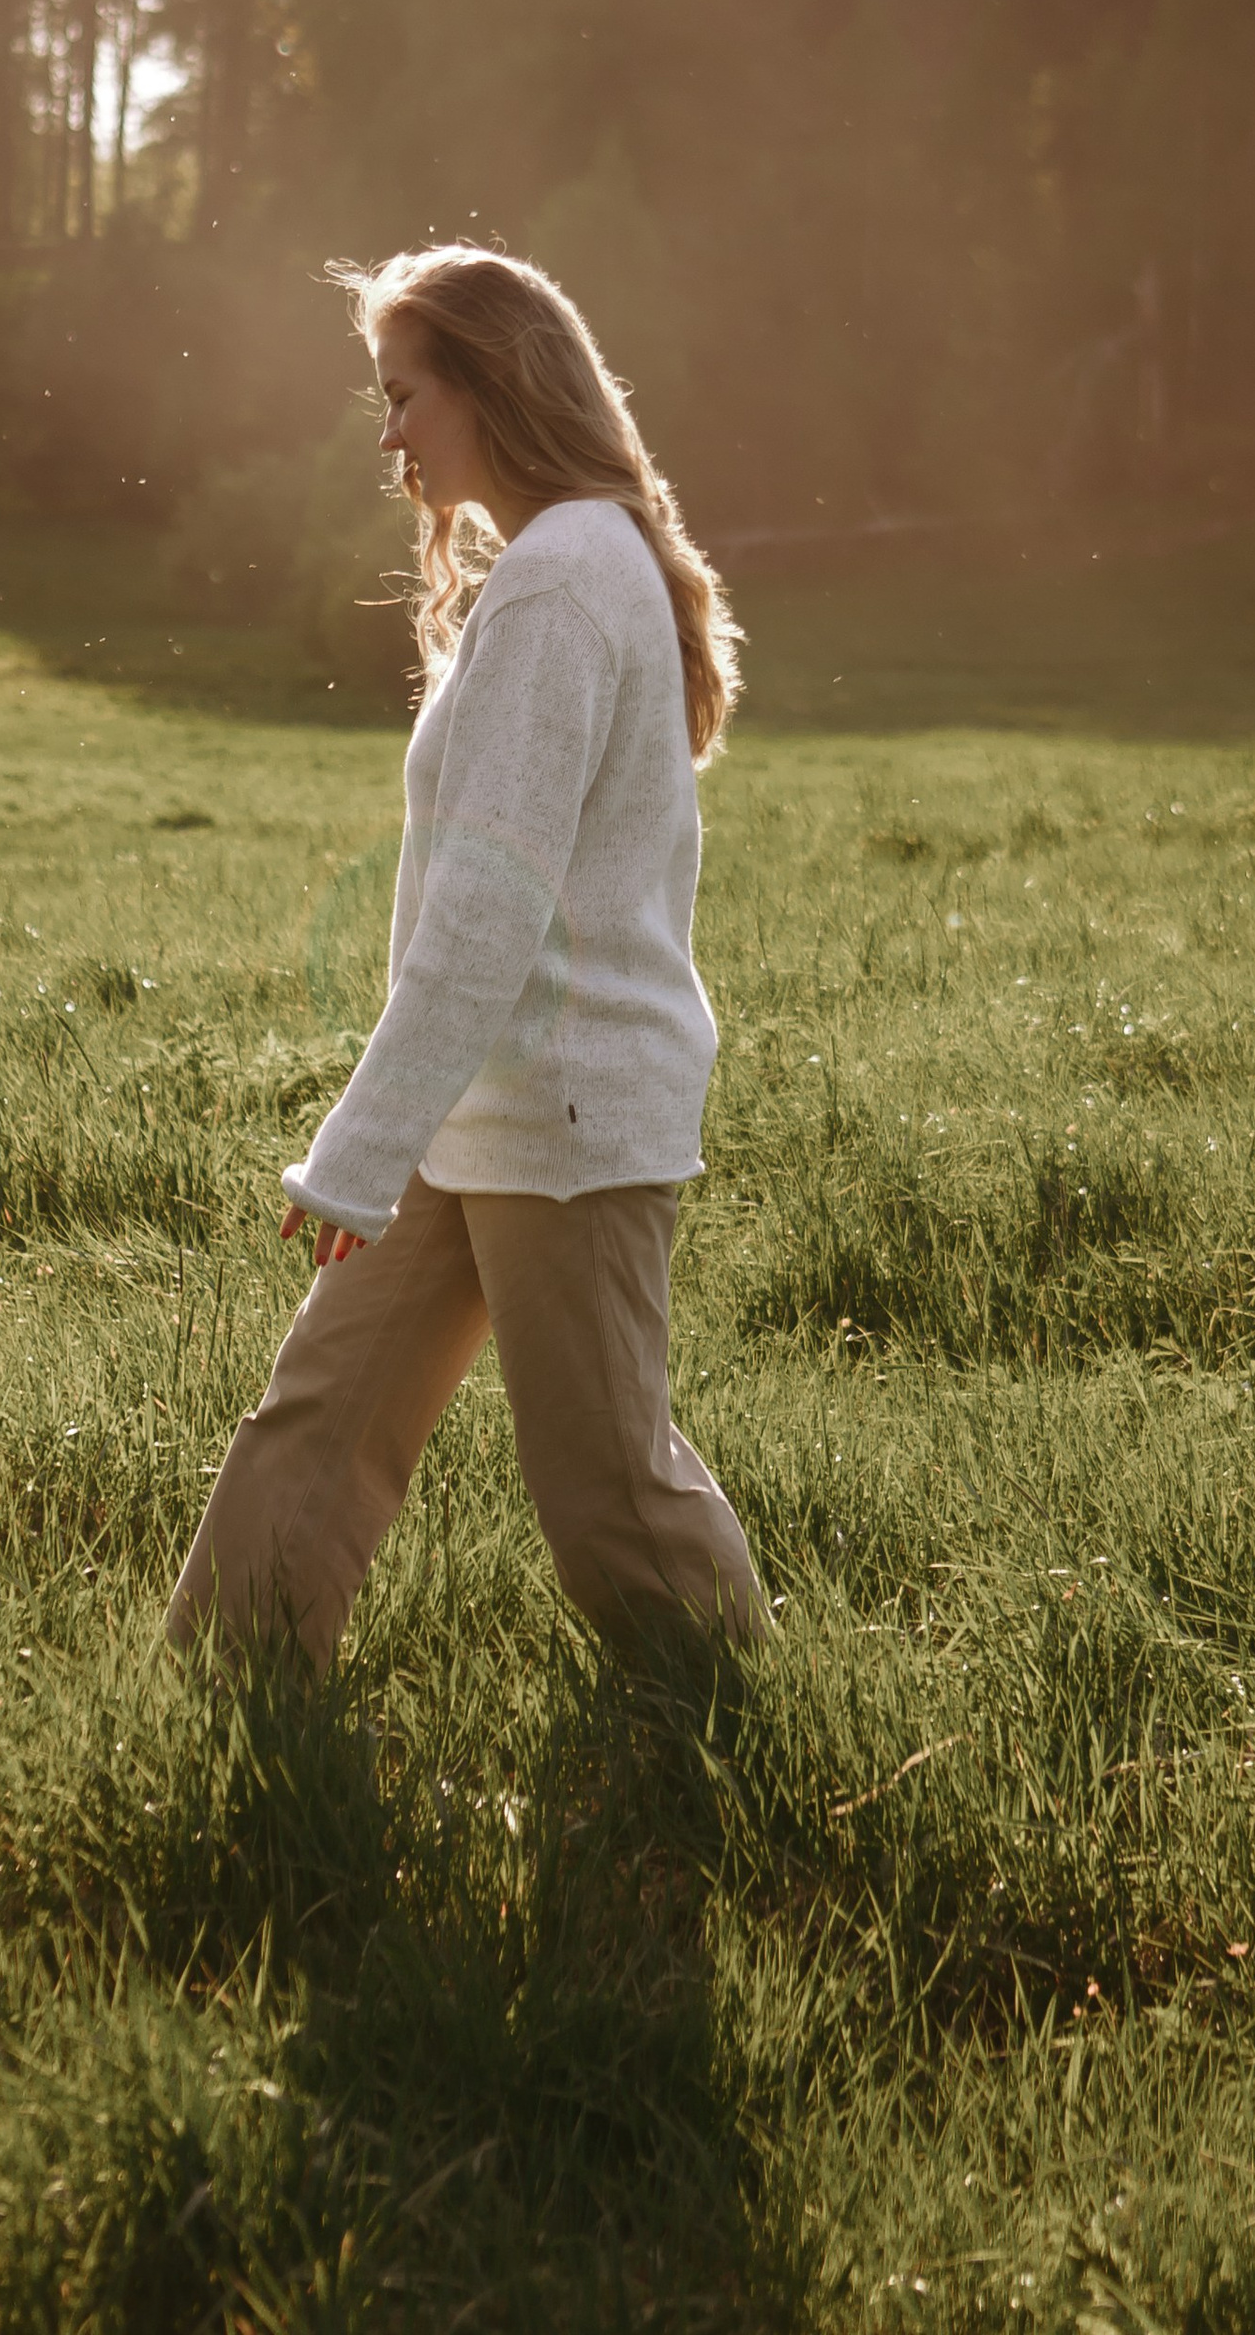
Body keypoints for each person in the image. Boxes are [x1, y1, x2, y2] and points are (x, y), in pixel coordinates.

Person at [168, 248, 766, 1666]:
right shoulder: (561, 563)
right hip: (479, 1104)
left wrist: (354, 1153)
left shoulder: (563, 583)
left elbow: (488, 912)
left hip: (564, 1114)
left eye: (403, 396)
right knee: (319, 1417)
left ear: (491, 385)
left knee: (609, 1492)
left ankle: (723, 1724)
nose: (386, 436)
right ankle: (221, 1701)